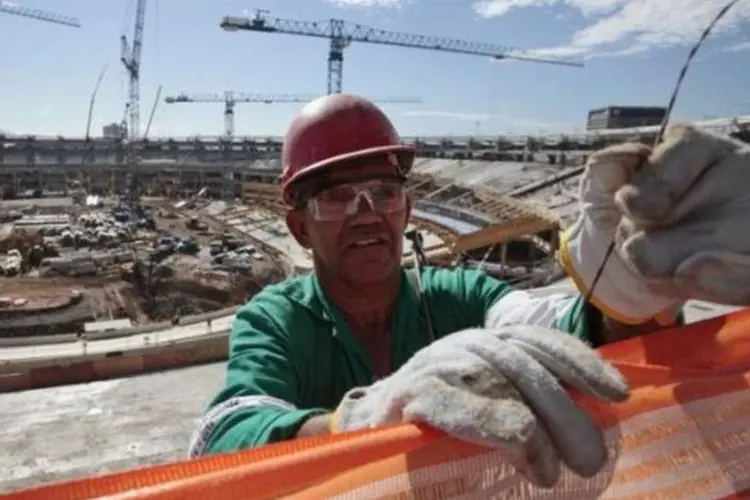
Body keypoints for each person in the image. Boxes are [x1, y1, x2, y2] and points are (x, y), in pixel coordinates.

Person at [188, 94, 750, 487]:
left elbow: (547, 330)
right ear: (298, 228)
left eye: (382, 192)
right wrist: (362, 420)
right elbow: (226, 435)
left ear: (406, 208)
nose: (365, 216)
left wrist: (628, 300)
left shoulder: (457, 294)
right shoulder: (276, 321)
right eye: (337, 197)